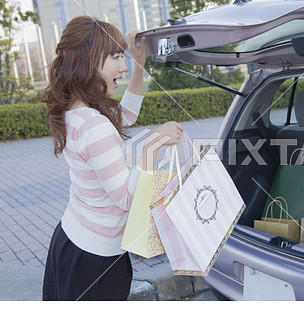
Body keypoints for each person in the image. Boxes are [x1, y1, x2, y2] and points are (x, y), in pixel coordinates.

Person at [41, 16, 183, 301]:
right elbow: (128, 198)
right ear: (88, 61)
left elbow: (126, 114)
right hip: (94, 261)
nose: (123, 66)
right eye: (116, 57)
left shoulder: (77, 110)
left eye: (124, 56)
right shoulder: (94, 125)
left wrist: (139, 64)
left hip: (73, 241)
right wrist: (154, 143)